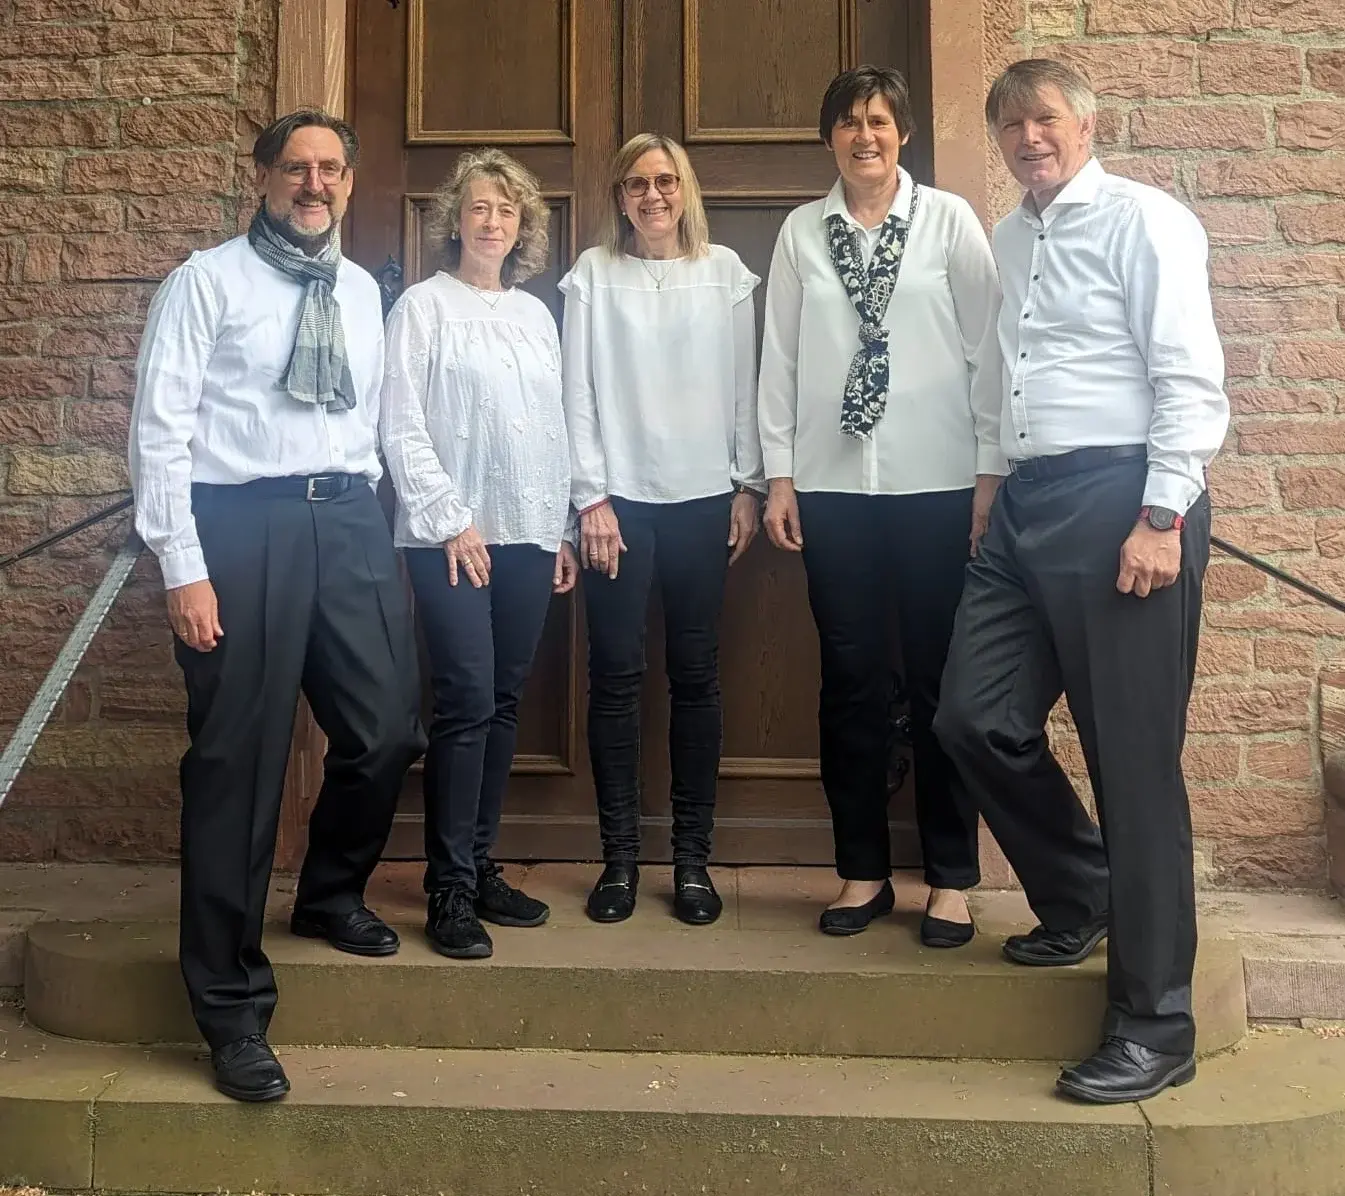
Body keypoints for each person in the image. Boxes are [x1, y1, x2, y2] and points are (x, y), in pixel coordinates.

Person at [934, 59, 1228, 1104]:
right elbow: (999, 370)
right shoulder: (1008, 237)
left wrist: (1162, 513)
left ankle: (1156, 1024)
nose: (1027, 138)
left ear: (1086, 124)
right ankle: (1084, 888)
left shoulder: (1145, 221)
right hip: (1024, 502)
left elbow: (1187, 371)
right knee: (972, 716)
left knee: (1132, 768)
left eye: (1043, 119)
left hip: (1123, 502)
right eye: (1009, 125)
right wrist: (989, 481)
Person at [128, 110, 424, 1103]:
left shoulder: (360, 289)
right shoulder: (206, 281)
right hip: (241, 523)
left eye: (330, 168)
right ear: (262, 176)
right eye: (296, 167)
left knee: (386, 729)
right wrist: (182, 565)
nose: (313, 183)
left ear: (348, 180)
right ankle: (230, 1009)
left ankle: (328, 893)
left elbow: (374, 422)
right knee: (239, 767)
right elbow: (160, 428)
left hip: (346, 517)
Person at [757, 66, 1004, 944]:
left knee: (941, 682)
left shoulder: (947, 221)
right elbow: (779, 357)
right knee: (851, 683)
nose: (864, 136)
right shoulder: (801, 230)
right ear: (828, 137)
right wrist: (778, 475)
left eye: (878, 121)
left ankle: (950, 878)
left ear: (902, 133)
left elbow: (987, 350)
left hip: (937, 482)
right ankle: (860, 871)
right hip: (832, 488)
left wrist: (987, 471)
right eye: (848, 123)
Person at [559, 132, 764, 926]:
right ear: (619, 197)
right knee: (614, 677)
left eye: (665, 181)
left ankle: (690, 861)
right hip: (617, 508)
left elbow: (744, 389)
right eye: (637, 183)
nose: (653, 195)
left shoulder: (725, 274)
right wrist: (590, 498)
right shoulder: (593, 275)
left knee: (695, 677)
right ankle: (618, 861)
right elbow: (576, 393)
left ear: (685, 191)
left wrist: (746, 485)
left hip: (704, 500)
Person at [380, 149, 578, 961]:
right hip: (451, 537)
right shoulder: (422, 308)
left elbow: (554, 425)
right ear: (454, 221)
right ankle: (448, 889)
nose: (492, 221)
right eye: (479, 208)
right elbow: (400, 424)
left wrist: (560, 528)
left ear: (522, 226)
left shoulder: (536, 315)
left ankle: (480, 862)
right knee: (463, 701)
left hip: (529, 530)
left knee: (501, 700)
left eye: (506, 210)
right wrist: (449, 519)